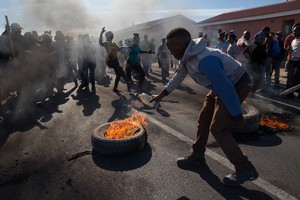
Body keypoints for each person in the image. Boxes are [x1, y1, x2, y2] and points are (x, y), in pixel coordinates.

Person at [150, 27, 258, 186]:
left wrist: (237, 115)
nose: (171, 53)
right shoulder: (187, 56)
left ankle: (244, 167)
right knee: (203, 119)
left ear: (180, 45)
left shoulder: (205, 60)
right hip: (217, 87)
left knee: (218, 128)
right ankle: (197, 156)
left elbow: (226, 89)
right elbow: (178, 76)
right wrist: (161, 95)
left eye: (172, 48)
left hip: (236, 85)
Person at [99, 27, 131, 93]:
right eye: (105, 36)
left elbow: (119, 49)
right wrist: (101, 32)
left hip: (115, 60)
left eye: (106, 35)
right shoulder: (106, 43)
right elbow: (100, 42)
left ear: (110, 36)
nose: (106, 37)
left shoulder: (114, 43)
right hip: (110, 61)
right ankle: (128, 85)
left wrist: (125, 49)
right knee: (121, 70)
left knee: (119, 75)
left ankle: (115, 88)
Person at [284, 24, 300, 98]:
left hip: (299, 61)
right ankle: (289, 94)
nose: (295, 31)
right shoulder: (293, 40)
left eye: (297, 30)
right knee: (290, 78)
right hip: (292, 60)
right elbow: (291, 51)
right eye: (294, 30)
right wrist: (289, 50)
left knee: (297, 77)